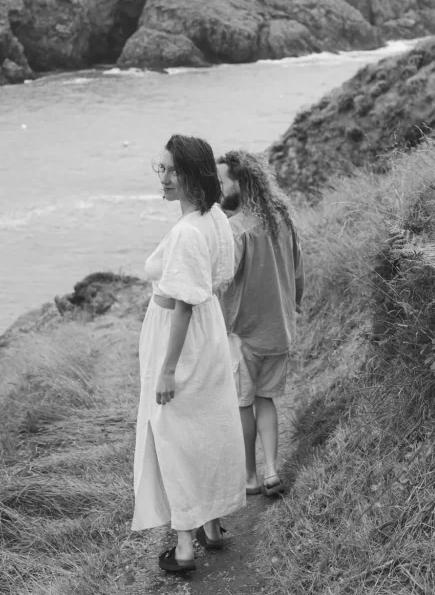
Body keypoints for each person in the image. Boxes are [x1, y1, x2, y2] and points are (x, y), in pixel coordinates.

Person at [132, 134, 246, 573]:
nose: (162, 178)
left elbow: (181, 306)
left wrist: (166, 369)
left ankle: (183, 548)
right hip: (209, 332)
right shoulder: (215, 216)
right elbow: (215, 282)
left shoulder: (185, 232)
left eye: (170, 171)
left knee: (173, 435)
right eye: (159, 168)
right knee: (205, 428)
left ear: (193, 175)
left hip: (179, 336)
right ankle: (211, 527)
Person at [217, 150, 304, 497]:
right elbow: (299, 275)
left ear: (241, 183)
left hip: (243, 333)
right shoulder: (283, 221)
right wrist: (292, 308)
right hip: (280, 329)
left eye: (222, 182)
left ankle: (251, 477)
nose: (217, 188)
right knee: (266, 400)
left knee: (242, 404)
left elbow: (221, 280)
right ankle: (271, 471)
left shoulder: (235, 230)